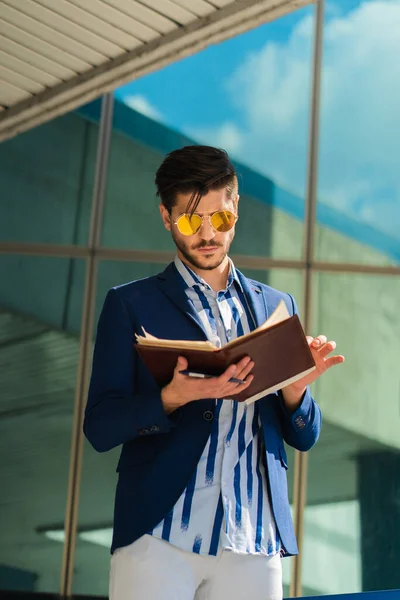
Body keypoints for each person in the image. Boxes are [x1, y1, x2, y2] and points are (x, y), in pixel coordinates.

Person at [84, 145, 344, 600]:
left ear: (236, 209)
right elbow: (100, 426)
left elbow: (303, 437)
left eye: (219, 219)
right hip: (159, 535)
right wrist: (171, 398)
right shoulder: (130, 305)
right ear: (166, 217)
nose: (207, 234)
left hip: (254, 540)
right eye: (190, 221)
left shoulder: (277, 308)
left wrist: (296, 394)